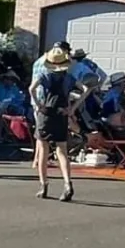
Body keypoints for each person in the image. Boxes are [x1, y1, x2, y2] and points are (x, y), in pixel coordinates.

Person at [30, 45, 78, 201]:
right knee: (62, 150)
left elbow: (31, 88)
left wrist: (38, 104)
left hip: (46, 113)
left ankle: (44, 185)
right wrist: (72, 108)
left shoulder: (46, 76)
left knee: (43, 149)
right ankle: (67, 183)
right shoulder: (69, 78)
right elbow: (86, 88)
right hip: (61, 114)